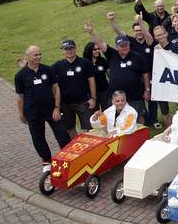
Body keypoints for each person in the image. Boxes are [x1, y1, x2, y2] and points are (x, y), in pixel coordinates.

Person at [15, 45, 71, 173]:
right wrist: (21, 114)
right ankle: (46, 160)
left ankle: (68, 158)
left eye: (40, 54)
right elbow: (20, 97)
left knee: (62, 134)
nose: (39, 57)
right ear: (27, 57)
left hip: (51, 110)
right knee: (38, 138)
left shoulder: (47, 70)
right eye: (35, 55)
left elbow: (56, 88)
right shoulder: (20, 76)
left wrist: (57, 107)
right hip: (33, 113)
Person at [85, 23, 150, 124]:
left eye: (126, 45)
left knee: (138, 116)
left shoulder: (137, 56)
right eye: (121, 46)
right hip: (116, 96)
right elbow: (100, 42)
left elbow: (145, 73)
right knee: (115, 119)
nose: (124, 47)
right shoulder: (112, 54)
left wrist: (147, 89)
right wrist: (91, 32)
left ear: (129, 44)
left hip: (135, 94)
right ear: (117, 46)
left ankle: (140, 135)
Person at [52, 39, 96, 138]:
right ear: (63, 51)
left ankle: (91, 149)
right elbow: (44, 71)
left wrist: (93, 98)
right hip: (66, 103)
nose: (69, 51)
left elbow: (91, 81)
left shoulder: (85, 63)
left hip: (83, 102)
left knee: (89, 128)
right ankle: (76, 147)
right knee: (70, 128)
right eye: (66, 49)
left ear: (75, 49)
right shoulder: (58, 65)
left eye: (71, 48)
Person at [83, 41, 109, 109]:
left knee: (107, 112)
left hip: (104, 91)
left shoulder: (102, 60)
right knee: (94, 114)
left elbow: (109, 74)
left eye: (98, 49)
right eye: (95, 49)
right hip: (91, 94)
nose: (97, 51)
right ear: (89, 50)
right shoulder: (84, 63)